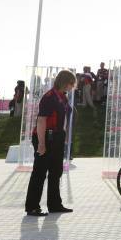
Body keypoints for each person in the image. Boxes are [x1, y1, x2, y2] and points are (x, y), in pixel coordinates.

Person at [25, 70, 77, 216]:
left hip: (57, 137)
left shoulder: (63, 97)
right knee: (40, 172)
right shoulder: (49, 97)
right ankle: (32, 206)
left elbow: (64, 117)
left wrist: (64, 134)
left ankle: (54, 204)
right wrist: (41, 144)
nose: (72, 87)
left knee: (56, 171)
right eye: (71, 83)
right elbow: (41, 120)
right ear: (65, 82)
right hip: (45, 137)